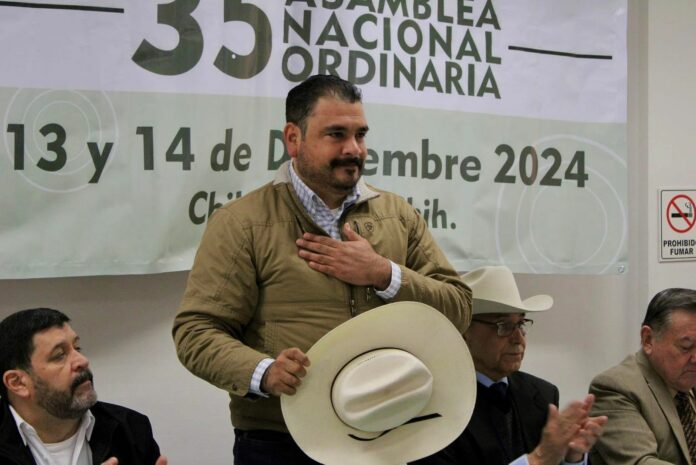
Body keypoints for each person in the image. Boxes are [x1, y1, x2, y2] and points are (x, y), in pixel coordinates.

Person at [172, 73, 472, 464]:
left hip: (396, 432)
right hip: (282, 441)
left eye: (360, 135)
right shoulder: (242, 223)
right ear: (293, 138)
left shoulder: (398, 215)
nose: (354, 149)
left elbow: (459, 308)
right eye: (336, 135)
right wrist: (264, 372)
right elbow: (196, 331)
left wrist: (384, 274)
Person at [412, 266, 607, 465]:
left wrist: (571, 457)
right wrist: (538, 459)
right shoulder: (430, 407)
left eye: (521, 324)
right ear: (463, 332)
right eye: (503, 326)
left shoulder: (542, 394)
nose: (518, 339)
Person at [0, 308, 167, 465]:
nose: (82, 361)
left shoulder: (130, 428)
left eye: (77, 348)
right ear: (17, 383)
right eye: (59, 355)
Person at [589, 287, 696, 465]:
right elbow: (640, 462)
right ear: (648, 339)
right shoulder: (615, 387)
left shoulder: (687, 380)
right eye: (686, 347)